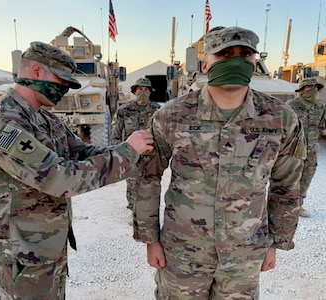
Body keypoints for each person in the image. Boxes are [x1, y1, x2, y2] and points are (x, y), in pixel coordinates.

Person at [0, 41, 153, 299]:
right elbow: (59, 178)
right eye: (61, 80)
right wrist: (127, 153)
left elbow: (83, 152)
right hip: (22, 252)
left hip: (48, 245)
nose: (64, 89)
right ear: (35, 72)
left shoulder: (47, 119)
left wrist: (132, 150)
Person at [133, 26, 306, 299]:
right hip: (183, 251)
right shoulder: (172, 115)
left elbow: (287, 185)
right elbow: (147, 177)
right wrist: (150, 239)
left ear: (255, 61)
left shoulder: (281, 118)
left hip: (245, 252)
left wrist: (277, 241)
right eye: (224, 54)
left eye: (245, 54)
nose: (235, 60)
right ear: (206, 63)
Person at [111, 78, 160, 210]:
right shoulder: (124, 110)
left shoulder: (158, 110)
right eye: (140, 89)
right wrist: (119, 152)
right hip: (131, 153)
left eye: (145, 89)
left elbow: (164, 133)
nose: (142, 92)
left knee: (151, 181)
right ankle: (133, 208)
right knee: (132, 181)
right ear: (134, 91)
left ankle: (148, 208)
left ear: (150, 92)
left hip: (151, 153)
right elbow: (116, 134)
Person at [287, 77, 326, 217]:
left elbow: (321, 126)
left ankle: (299, 205)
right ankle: (285, 205)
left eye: (316, 87)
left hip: (311, 149)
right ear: (302, 90)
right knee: (289, 177)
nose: (314, 90)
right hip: (294, 149)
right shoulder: (291, 105)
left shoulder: (321, 106)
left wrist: (314, 140)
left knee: (306, 177)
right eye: (310, 87)